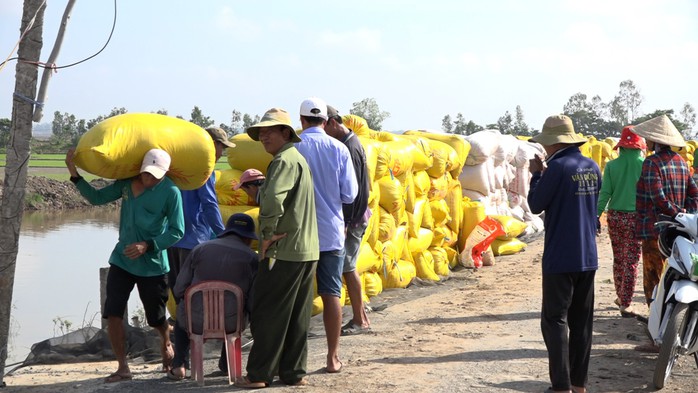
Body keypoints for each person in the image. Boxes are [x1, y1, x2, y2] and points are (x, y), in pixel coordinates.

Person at [65, 148, 184, 383]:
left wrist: (148, 245)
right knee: (113, 312)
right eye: (146, 174)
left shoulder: (171, 192)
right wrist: (73, 172)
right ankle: (122, 367)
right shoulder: (127, 185)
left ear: (164, 174)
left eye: (155, 176)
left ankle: (166, 339)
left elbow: (177, 231)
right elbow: (97, 198)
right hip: (122, 260)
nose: (149, 179)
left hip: (152, 265)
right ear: (140, 170)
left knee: (155, 318)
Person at [235, 107, 319, 388]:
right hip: (306, 250)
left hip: (284, 250)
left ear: (286, 133)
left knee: (269, 312)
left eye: (270, 131)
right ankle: (293, 372)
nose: (264, 137)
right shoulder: (298, 160)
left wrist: (267, 234)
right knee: (297, 315)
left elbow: (271, 201)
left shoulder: (283, 161)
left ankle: (259, 374)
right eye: (261, 133)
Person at [527, 115, 600, 393]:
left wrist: (536, 174)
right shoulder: (591, 166)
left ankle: (561, 386)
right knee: (581, 323)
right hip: (588, 256)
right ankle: (579, 384)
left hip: (560, 256)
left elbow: (535, 204)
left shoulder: (556, 168)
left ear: (554, 143)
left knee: (554, 320)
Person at [294, 97, 357, 373]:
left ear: (301, 120)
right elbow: (349, 194)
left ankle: (295, 359)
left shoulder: (293, 147)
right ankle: (332, 357)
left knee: (298, 296)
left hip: (299, 235)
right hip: (331, 233)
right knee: (332, 292)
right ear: (325, 121)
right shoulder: (338, 148)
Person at [168, 213, 258, 381]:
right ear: (248, 238)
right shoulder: (252, 258)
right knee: (239, 307)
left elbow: (179, 288)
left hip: (195, 321)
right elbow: (253, 301)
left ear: (226, 232)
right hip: (232, 323)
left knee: (182, 307)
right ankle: (226, 365)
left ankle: (179, 365)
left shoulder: (200, 249)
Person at [632, 114, 698, 306]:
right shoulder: (681, 162)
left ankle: (655, 311)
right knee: (673, 271)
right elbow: (694, 194)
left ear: (655, 140)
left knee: (653, 274)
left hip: (654, 228)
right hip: (677, 230)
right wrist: (685, 216)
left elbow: (657, 196)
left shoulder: (651, 163)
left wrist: (675, 213)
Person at [167, 126, 234, 304]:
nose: (222, 153)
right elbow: (209, 204)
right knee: (194, 292)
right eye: (223, 147)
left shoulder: (177, 165)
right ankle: (192, 330)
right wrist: (224, 235)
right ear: (212, 145)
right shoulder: (204, 168)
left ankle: (182, 328)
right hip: (193, 239)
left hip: (170, 237)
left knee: (177, 290)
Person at [324, 104, 371, 335]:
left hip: (352, 219)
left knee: (348, 267)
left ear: (333, 123)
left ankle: (360, 320)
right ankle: (360, 316)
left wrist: (347, 221)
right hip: (354, 216)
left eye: (325, 128)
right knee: (347, 267)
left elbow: (356, 191)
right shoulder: (350, 143)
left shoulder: (348, 148)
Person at [596, 126, 646, 318]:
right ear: (639, 146)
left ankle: (620, 295)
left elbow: (605, 193)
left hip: (615, 217)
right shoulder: (645, 164)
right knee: (632, 261)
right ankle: (625, 303)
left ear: (622, 146)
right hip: (636, 218)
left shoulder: (611, 166)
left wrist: (595, 215)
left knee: (619, 258)